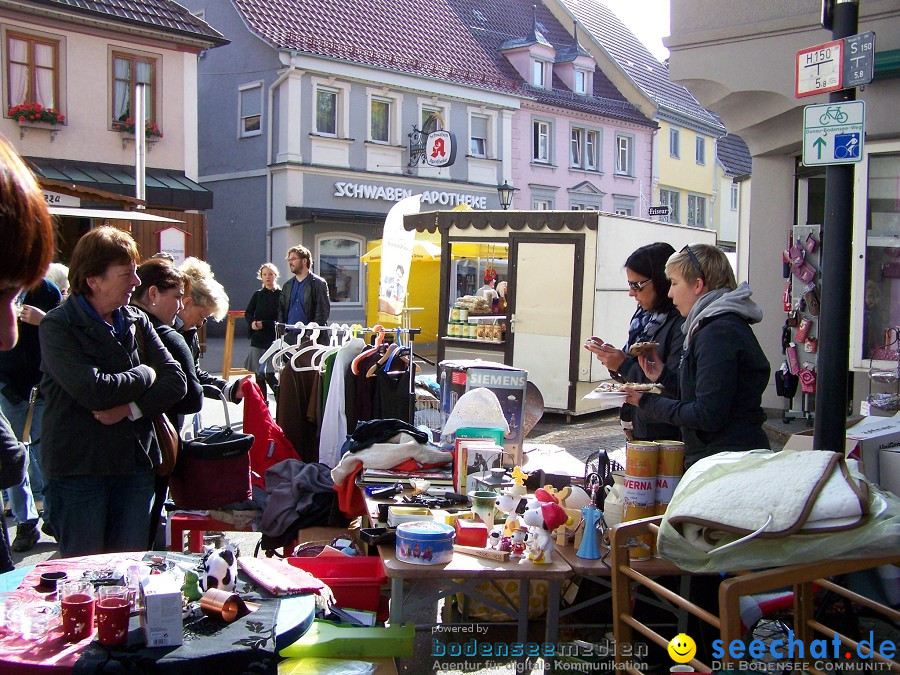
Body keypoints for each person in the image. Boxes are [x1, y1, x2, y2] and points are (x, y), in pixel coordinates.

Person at [39, 227, 187, 556]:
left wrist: (130, 409)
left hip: (134, 466)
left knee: (129, 572)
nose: (136, 282)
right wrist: (146, 372)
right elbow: (95, 390)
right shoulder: (57, 326)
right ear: (94, 280)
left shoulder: (136, 319)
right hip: (79, 471)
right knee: (83, 576)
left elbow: (176, 381)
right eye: (127, 274)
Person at [624, 243, 770, 467]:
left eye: (674, 283)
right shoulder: (712, 326)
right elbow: (704, 393)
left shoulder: (718, 332)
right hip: (723, 458)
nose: (670, 293)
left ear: (698, 285)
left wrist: (647, 402)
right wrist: (663, 375)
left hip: (725, 462)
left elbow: (707, 414)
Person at [0, 137, 55, 571]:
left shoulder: (50, 294)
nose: (7, 334)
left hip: (28, 386)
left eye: (12, 298)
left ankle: (29, 520)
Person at [131, 258, 204, 548]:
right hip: (153, 447)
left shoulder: (118, 325)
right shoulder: (166, 336)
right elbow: (191, 396)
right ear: (152, 294)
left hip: (130, 448)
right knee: (143, 532)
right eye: (175, 298)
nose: (178, 306)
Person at [585, 242, 683, 442]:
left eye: (636, 285)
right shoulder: (644, 318)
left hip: (667, 435)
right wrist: (611, 358)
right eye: (629, 285)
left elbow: (675, 386)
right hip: (640, 425)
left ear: (662, 281)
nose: (631, 293)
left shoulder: (680, 323)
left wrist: (624, 364)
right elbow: (632, 374)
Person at [0, 274, 62, 552]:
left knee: (43, 452)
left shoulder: (47, 291)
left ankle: (53, 515)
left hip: (41, 386)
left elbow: (65, 332)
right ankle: (26, 521)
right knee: (13, 454)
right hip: (8, 384)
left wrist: (44, 319)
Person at [178, 257, 246, 404]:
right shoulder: (163, 330)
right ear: (187, 303)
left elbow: (195, 375)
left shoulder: (189, 332)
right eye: (201, 316)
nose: (201, 323)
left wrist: (231, 389)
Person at [277, 245, 330, 342]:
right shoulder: (287, 285)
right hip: (290, 336)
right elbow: (281, 309)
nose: (290, 262)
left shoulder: (318, 284)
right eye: (288, 260)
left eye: (293, 259)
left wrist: (310, 333)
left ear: (304, 261)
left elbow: (322, 312)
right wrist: (283, 330)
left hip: (310, 338)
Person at [244, 263, 281, 399]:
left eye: (270, 274)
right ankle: (262, 405)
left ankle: (281, 399)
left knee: (270, 374)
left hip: (273, 338)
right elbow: (248, 313)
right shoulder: (258, 295)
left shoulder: (280, 295)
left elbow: (281, 318)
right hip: (258, 338)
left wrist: (264, 324)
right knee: (259, 374)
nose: (267, 277)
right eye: (264, 274)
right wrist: (252, 323)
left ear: (275, 275)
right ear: (261, 277)